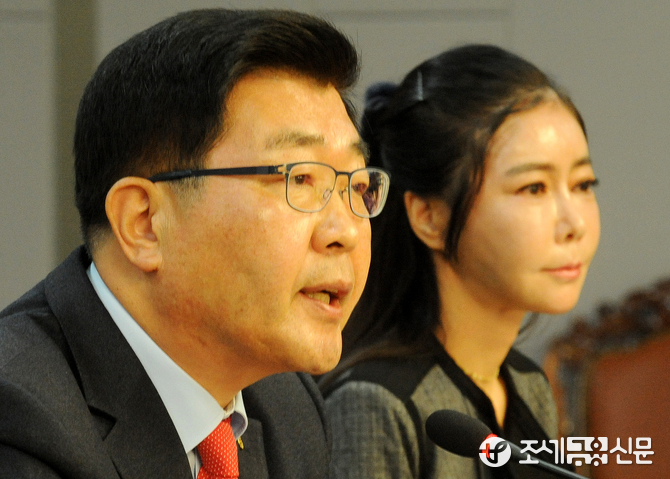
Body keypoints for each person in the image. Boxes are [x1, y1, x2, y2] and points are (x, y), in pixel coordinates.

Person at [0, 9, 391, 479]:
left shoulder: (287, 405)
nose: (346, 231)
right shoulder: (21, 420)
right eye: (300, 179)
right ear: (144, 223)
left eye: (355, 185)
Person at [320, 44, 600, 479]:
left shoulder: (528, 384)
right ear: (429, 217)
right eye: (534, 188)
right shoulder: (375, 403)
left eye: (582, 184)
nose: (574, 224)